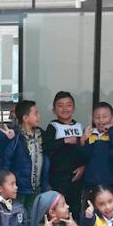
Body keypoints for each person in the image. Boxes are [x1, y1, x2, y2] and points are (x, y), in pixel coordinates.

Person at [43, 91, 86, 219]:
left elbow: (86, 151)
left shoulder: (79, 126)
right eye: (60, 105)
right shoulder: (53, 126)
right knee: (58, 208)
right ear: (54, 109)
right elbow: (46, 147)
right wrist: (65, 140)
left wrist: (84, 166)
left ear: (74, 108)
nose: (65, 108)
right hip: (58, 176)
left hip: (77, 175)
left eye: (68, 105)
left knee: (75, 208)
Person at [10, 99, 47, 212]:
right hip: (19, 187)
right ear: (25, 118)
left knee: (32, 217)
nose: (39, 116)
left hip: (36, 186)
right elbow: (7, 160)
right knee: (17, 216)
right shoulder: (15, 136)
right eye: (36, 113)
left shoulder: (41, 134)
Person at [80, 102, 113, 192]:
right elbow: (84, 157)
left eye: (105, 116)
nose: (101, 120)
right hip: (90, 182)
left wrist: (112, 131)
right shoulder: (88, 134)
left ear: (112, 118)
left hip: (110, 182)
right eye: (97, 117)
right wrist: (83, 140)